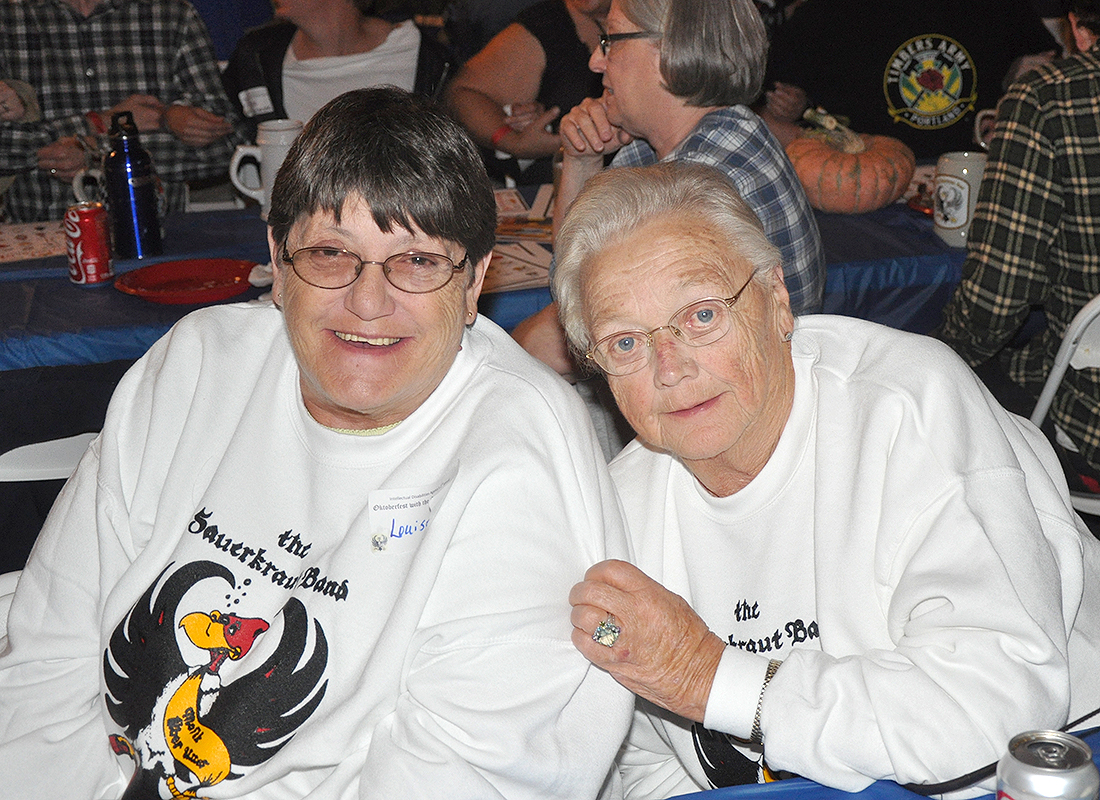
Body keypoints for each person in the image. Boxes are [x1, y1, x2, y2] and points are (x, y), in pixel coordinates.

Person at [0, 87, 634, 799]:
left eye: (418, 262)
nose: (368, 302)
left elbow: (466, 775)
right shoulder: (199, 366)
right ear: (278, 256)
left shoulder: (514, 452)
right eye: (332, 253)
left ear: (475, 281)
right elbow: (48, 658)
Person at [553, 161, 1100, 795]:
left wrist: (709, 677)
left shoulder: (911, 411)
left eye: (702, 316)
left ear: (777, 301)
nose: (669, 367)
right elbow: (638, 767)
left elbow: (995, 707)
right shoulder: (617, 515)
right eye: (625, 343)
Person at [513, 0, 824, 382]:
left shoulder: (694, 187)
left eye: (609, 40)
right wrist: (583, 160)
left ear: (671, 50)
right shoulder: (711, 134)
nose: (596, 61)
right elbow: (575, 273)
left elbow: (572, 316)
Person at [935, 1, 1100, 493]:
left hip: (1088, 419)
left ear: (1079, 28)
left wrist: (933, 357)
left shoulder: (1050, 98)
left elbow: (995, 300)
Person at [0, 0, 242, 223]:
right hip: (35, 242)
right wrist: (99, 123)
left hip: (155, 235)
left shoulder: (171, 15)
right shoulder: (9, 16)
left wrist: (96, 151)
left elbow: (228, 146)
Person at [758, 0, 1061, 159]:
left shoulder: (998, 7)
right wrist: (795, 108)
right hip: (864, 188)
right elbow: (761, 107)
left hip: (972, 171)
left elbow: (1054, 71)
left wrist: (1019, 84)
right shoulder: (827, 14)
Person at [221, 0, 454, 143]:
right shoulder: (257, 55)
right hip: (293, 218)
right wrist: (186, 120)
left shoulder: (427, 56)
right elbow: (222, 130)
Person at [444, 0, 607, 186]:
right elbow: (463, 94)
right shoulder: (549, 23)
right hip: (559, 190)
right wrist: (512, 141)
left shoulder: (642, 24)